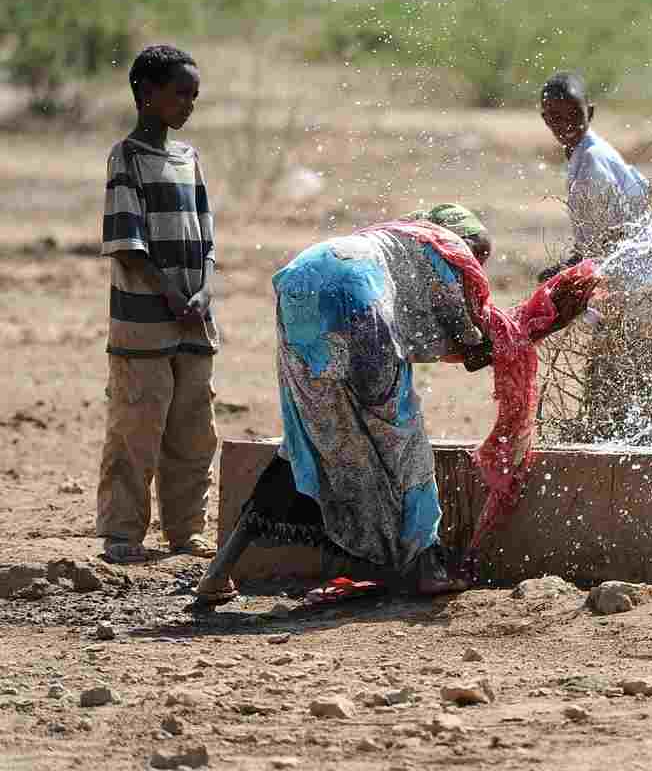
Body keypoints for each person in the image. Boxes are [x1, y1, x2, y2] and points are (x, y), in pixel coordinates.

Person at [194, 205, 596, 603]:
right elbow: (474, 348)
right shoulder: (449, 250)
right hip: (358, 301)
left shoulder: (391, 240)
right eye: (479, 258)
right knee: (404, 441)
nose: (477, 272)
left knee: (305, 438)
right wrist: (542, 322)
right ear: (464, 241)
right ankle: (427, 566)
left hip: (301, 284)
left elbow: (454, 341)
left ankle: (218, 573)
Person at [97, 45, 218, 564]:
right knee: (136, 428)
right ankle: (122, 534)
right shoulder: (126, 157)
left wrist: (202, 291)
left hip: (194, 320)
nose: (188, 104)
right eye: (179, 94)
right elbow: (128, 244)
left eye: (194, 95)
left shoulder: (189, 158)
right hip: (145, 322)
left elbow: (207, 240)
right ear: (146, 95)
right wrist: (171, 295)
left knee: (193, 431)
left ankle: (186, 530)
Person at [537, 71, 648, 281]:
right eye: (557, 117)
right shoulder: (581, 152)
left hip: (632, 270)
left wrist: (568, 270)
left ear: (590, 112)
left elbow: (610, 240)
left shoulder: (592, 161)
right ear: (546, 119)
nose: (567, 124)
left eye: (574, 115)